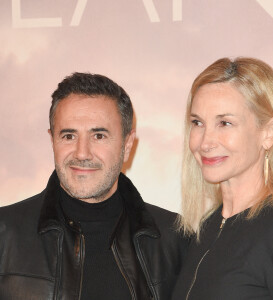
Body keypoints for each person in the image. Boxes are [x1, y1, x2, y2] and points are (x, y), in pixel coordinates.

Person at [0, 72, 188, 300]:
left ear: (127, 144)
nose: (82, 153)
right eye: (69, 136)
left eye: (99, 136)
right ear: (52, 141)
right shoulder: (5, 233)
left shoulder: (176, 240)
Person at [172, 57, 273, 299]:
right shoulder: (208, 226)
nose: (205, 142)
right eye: (197, 122)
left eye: (225, 123)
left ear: (269, 133)